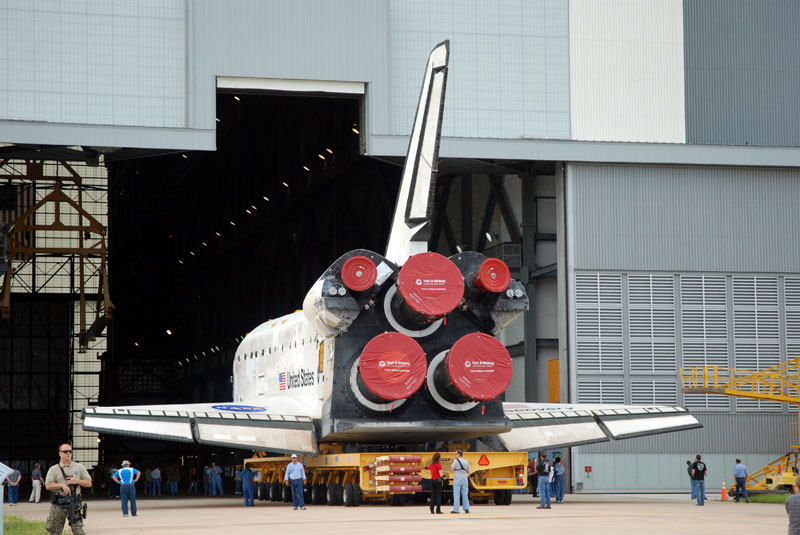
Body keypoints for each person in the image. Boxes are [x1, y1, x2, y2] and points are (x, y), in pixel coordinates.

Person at [44, 443, 92, 535]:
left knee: (79, 531)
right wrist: (62, 485)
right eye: (65, 451)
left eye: (70, 451)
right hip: (59, 505)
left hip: (74, 504)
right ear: (60, 453)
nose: (68, 453)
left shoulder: (79, 467)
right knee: (55, 531)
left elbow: (88, 483)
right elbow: (48, 485)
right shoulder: (54, 469)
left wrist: (77, 481)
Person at [450, 449, 470, 514]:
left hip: (457, 479)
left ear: (459, 454)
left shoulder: (455, 461)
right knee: (465, 494)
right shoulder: (466, 461)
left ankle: (456, 510)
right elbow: (468, 471)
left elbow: (452, 470)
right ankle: (466, 509)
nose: (455, 455)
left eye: (455, 454)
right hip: (464, 479)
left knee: (456, 495)